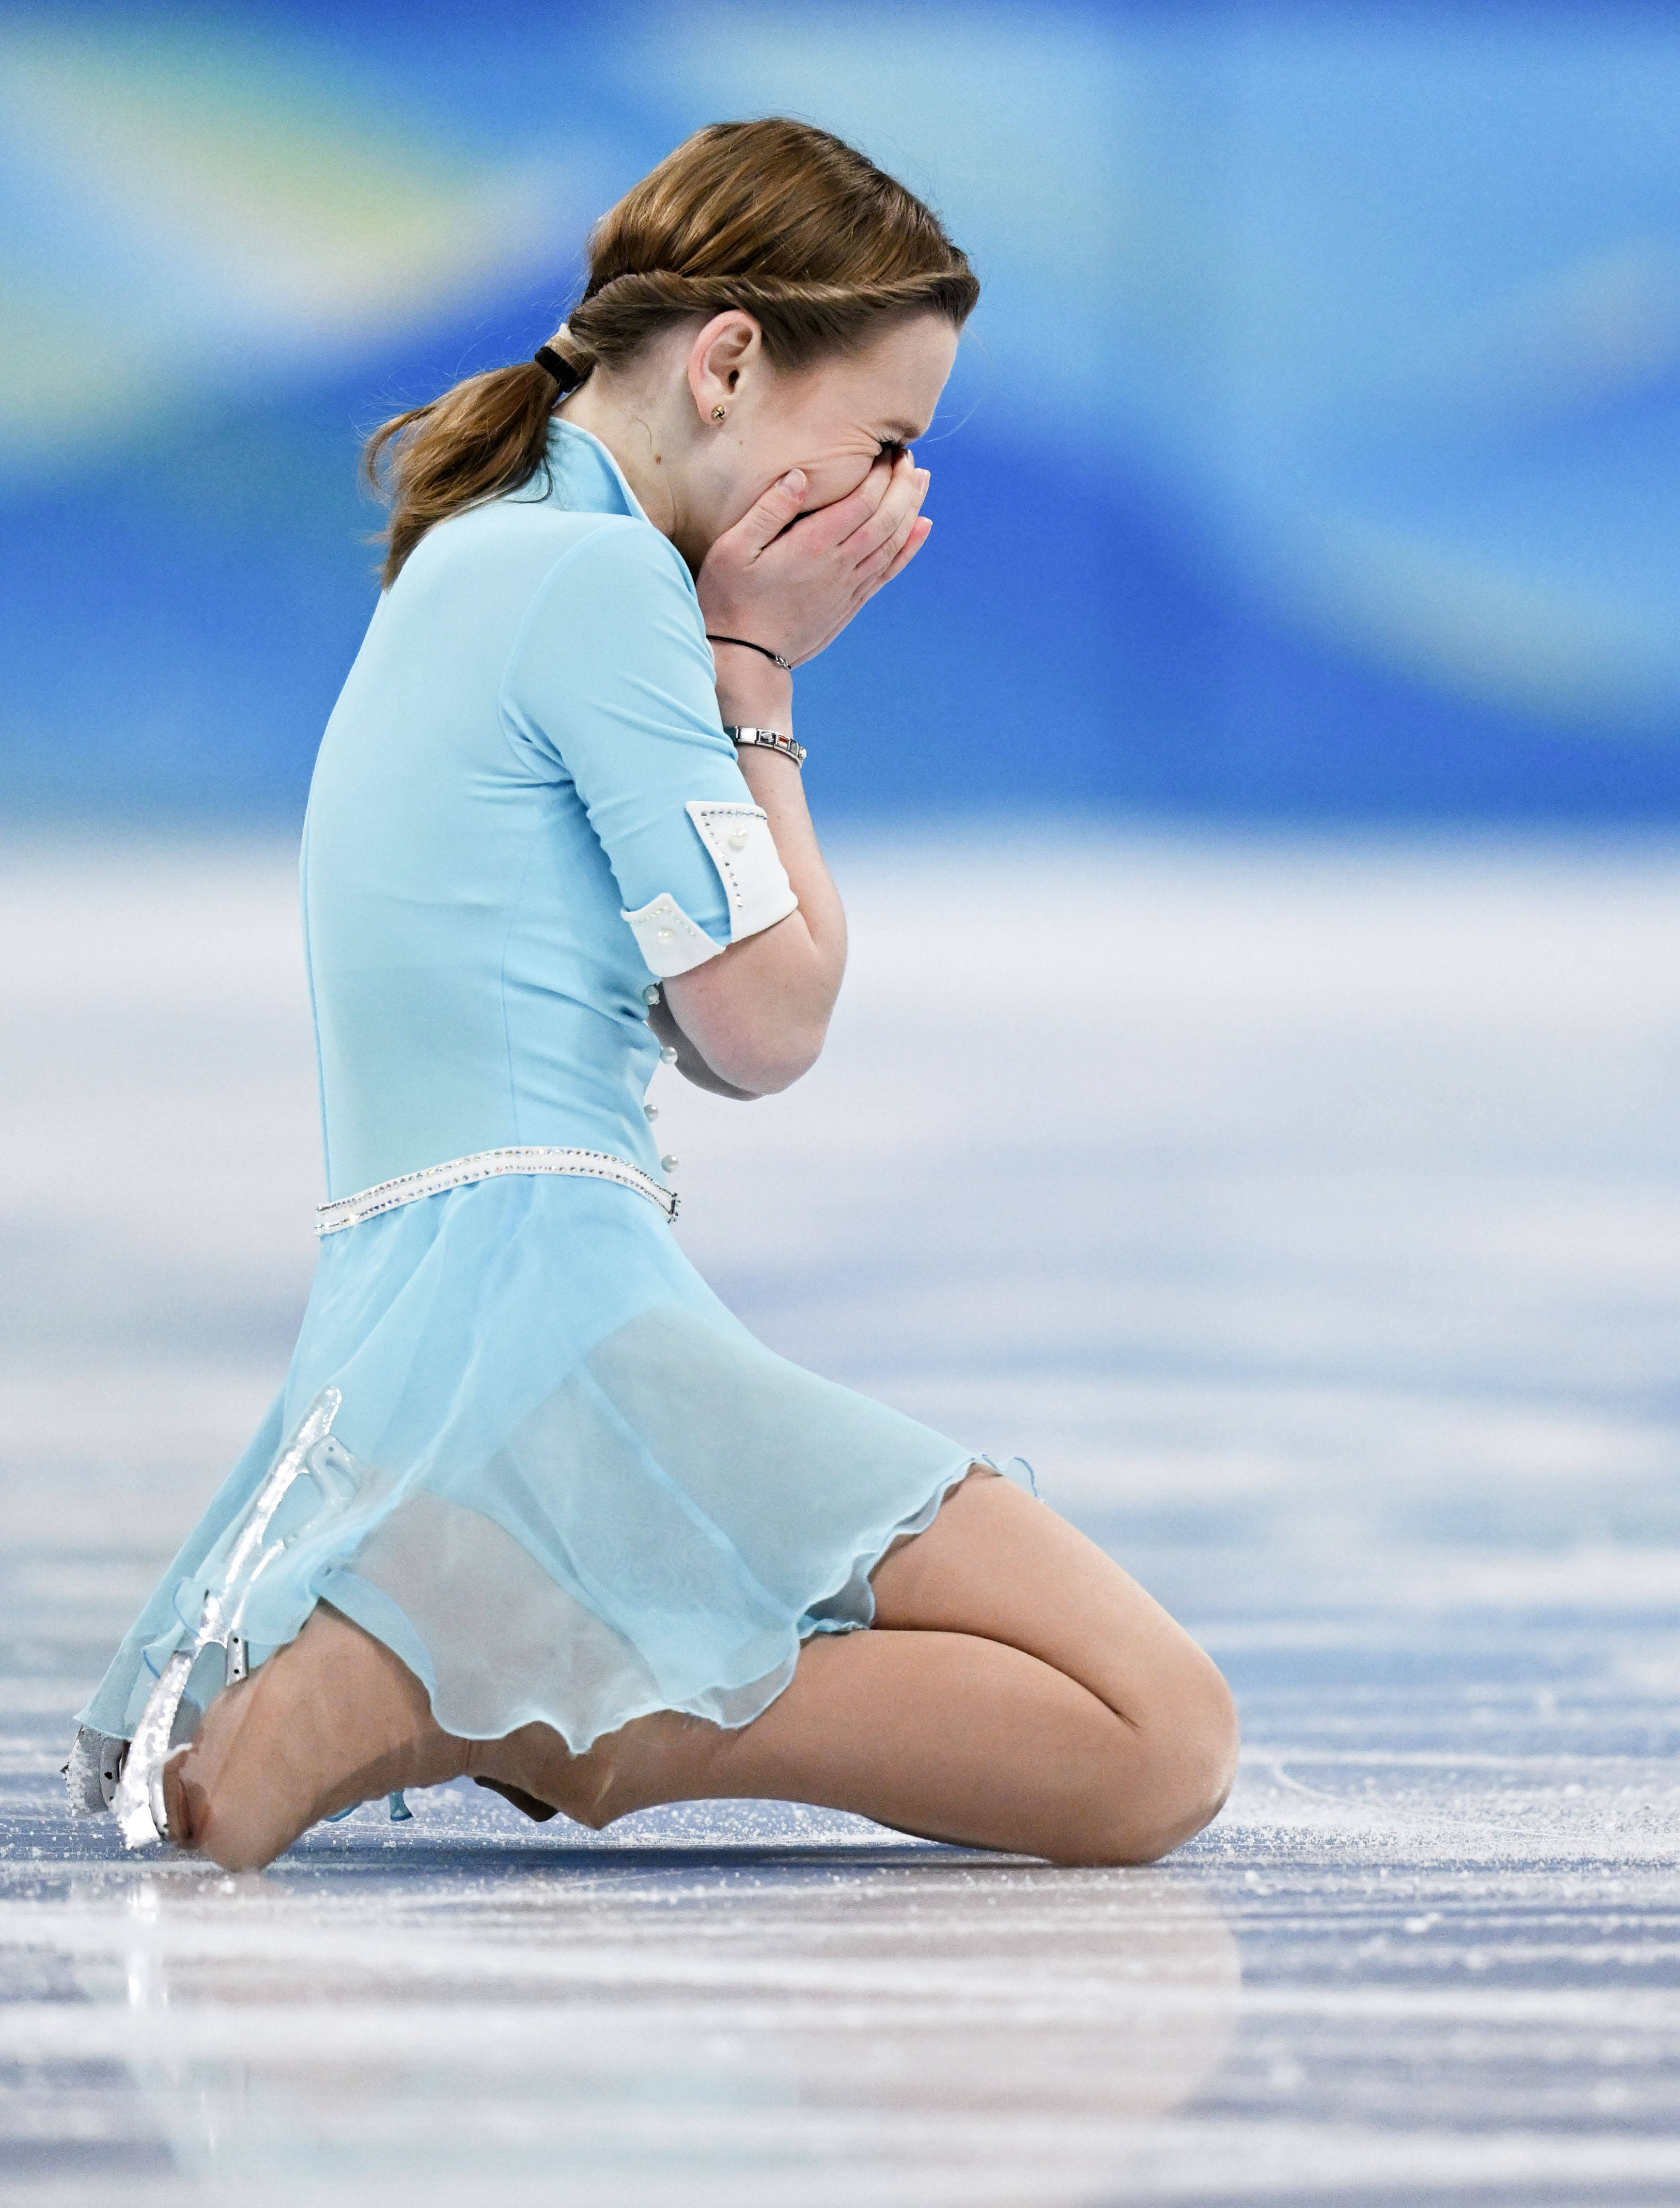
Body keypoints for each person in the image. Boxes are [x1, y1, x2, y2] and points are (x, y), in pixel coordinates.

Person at [71, 118, 1238, 1872]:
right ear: (727, 363)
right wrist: (755, 667)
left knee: (1142, 1733)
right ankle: (468, 1692)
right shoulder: (595, 581)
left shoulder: (507, 546)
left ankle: (484, 1671)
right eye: (889, 440)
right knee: (1155, 1738)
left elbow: (721, 1026)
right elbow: (774, 1027)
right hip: (552, 1313)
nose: (897, 498)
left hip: (477, 1306)